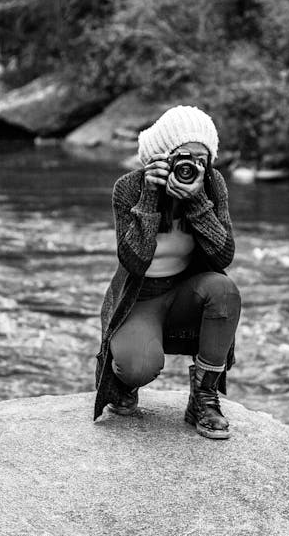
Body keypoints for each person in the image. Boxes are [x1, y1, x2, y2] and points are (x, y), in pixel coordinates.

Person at [93, 105, 241, 439]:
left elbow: (223, 257)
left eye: (202, 160)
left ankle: (203, 399)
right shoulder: (129, 188)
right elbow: (133, 260)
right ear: (162, 157)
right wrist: (149, 198)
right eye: (184, 157)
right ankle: (121, 380)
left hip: (186, 295)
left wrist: (198, 204)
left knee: (224, 290)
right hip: (139, 299)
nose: (192, 166)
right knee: (139, 366)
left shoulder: (212, 186)